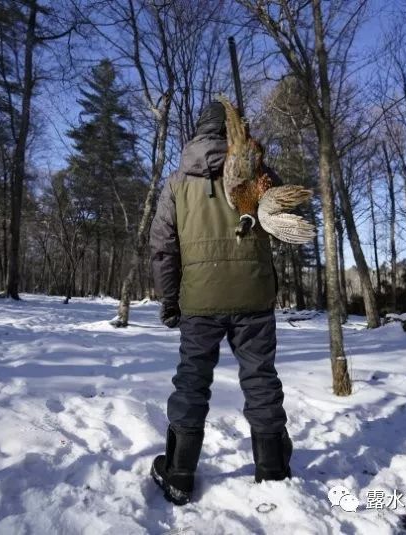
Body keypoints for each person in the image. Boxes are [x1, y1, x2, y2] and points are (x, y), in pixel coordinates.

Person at [148, 101, 292, 505]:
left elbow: (162, 248)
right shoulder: (255, 172)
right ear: (232, 131)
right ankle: (273, 470)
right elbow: (282, 209)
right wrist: (257, 161)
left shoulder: (176, 184)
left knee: (192, 383)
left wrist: (170, 300)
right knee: (260, 378)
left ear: (196, 133)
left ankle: (179, 474)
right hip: (253, 296)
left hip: (199, 299)